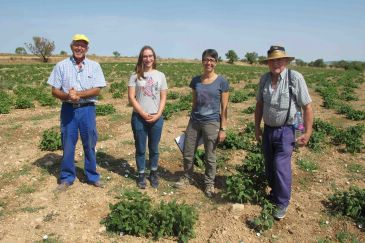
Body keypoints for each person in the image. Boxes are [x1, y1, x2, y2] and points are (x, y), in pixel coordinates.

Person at [255, 45, 313, 219]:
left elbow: (307, 106)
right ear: (268, 63)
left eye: (279, 59)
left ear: (286, 61)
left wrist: (307, 132)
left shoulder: (295, 78)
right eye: (272, 60)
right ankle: (275, 193)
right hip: (268, 130)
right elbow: (259, 104)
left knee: (281, 167)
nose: (276, 63)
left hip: (288, 130)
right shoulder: (264, 79)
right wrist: (257, 127)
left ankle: (282, 203)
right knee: (269, 165)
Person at [47, 34, 106, 191]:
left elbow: (98, 89)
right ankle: (66, 178)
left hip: (87, 109)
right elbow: (54, 90)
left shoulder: (94, 66)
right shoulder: (61, 66)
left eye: (83, 45)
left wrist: (78, 94)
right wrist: (67, 96)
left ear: (87, 48)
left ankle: (92, 176)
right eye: (76, 45)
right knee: (68, 143)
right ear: (71, 46)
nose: (79, 48)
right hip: (68, 109)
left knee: (90, 143)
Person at [175, 49, 229, 198]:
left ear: (216, 63)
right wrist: (190, 120)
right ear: (202, 61)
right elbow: (194, 102)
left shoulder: (222, 82)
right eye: (206, 60)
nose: (209, 63)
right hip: (195, 121)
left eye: (212, 60)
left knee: (210, 155)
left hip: (212, 122)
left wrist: (223, 128)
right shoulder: (196, 81)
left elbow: (224, 108)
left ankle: (209, 183)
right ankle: (187, 176)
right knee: (188, 151)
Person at [128, 46, 168, 189]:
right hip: (139, 117)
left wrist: (158, 114)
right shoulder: (135, 76)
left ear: (154, 58)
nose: (148, 59)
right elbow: (131, 97)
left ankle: (154, 173)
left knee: (154, 148)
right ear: (141, 58)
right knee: (140, 148)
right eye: (145, 56)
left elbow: (163, 97)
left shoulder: (160, 75)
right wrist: (142, 113)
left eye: (150, 56)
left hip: (156, 118)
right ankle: (141, 174)